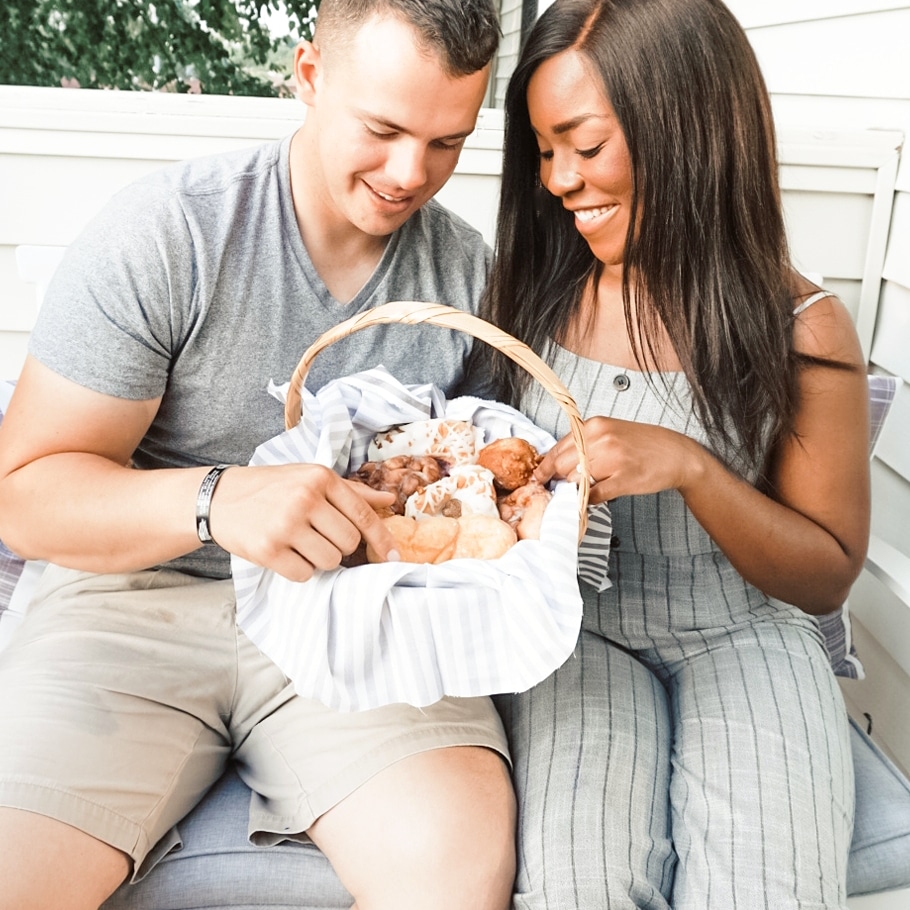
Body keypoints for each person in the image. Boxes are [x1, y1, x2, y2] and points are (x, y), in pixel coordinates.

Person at [0, 3, 518, 909]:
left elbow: (487, 491)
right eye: (383, 130)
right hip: (131, 604)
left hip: (357, 619)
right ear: (309, 75)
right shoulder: (170, 234)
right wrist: (216, 500)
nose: (411, 174)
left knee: (455, 874)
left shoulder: (466, 282)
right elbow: (24, 494)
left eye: (447, 142)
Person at [474, 0, 870, 907]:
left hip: (747, 634)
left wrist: (692, 468)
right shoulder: (532, 293)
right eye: (544, 150)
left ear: (687, 127)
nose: (559, 181)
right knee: (578, 884)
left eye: (585, 143)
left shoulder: (804, 328)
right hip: (575, 637)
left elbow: (824, 577)